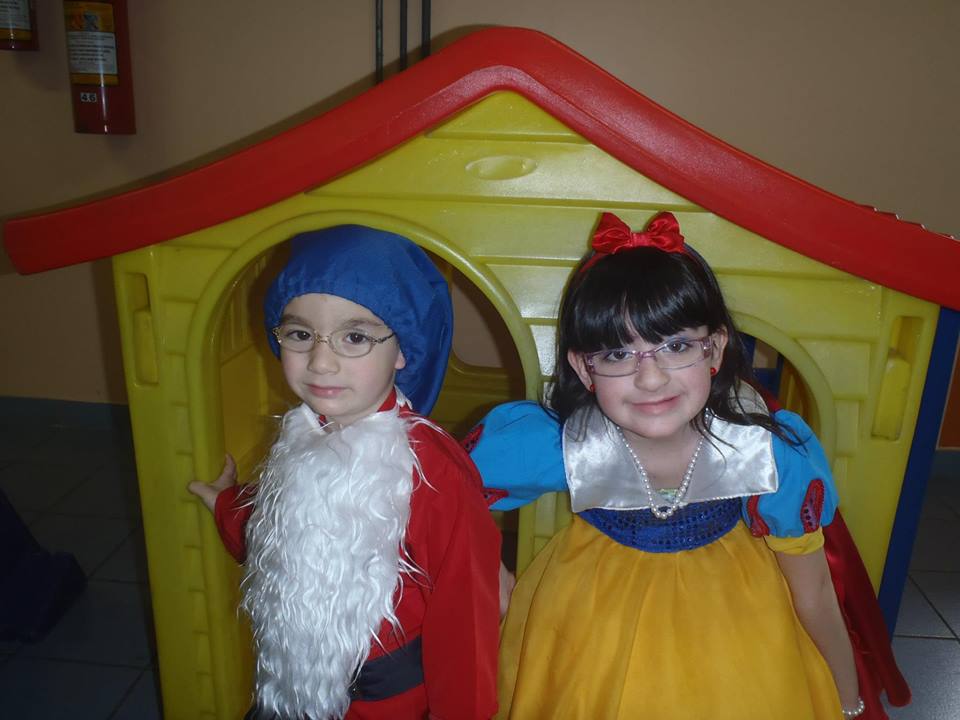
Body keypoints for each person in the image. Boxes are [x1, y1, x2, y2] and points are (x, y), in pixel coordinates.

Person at [467, 212, 909, 719]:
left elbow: (814, 591)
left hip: (739, 634)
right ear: (584, 368)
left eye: (676, 346)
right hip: (585, 625)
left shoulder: (767, 455)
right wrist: (495, 589)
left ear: (715, 349)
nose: (650, 378)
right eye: (617, 354)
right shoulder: (561, 443)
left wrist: (847, 700)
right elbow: (446, 487)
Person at [188, 225, 501, 720]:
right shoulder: (302, 431)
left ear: (403, 350)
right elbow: (281, 531)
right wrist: (226, 503)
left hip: (387, 704)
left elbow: (465, 616)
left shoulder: (432, 471)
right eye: (300, 335)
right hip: (291, 690)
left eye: (354, 337)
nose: (320, 361)